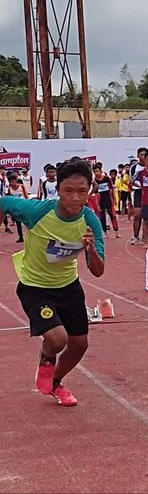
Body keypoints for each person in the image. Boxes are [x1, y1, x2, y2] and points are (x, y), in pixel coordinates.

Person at [0, 159, 105, 406]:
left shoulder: (90, 221)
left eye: (82, 191)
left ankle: (56, 381)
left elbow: (98, 271)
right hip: (35, 286)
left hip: (68, 286)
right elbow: (3, 202)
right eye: (68, 191)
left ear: (90, 189)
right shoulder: (37, 211)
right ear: (58, 190)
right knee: (58, 339)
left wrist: (91, 249)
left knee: (79, 344)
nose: (75, 198)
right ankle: (46, 358)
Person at [93, 165, 120, 239]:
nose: (96, 173)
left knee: (113, 216)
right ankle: (105, 233)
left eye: (97, 171)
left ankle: (116, 233)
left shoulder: (107, 178)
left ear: (101, 171)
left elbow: (112, 189)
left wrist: (114, 199)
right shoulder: (94, 181)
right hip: (100, 201)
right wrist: (97, 204)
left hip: (109, 200)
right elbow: (95, 194)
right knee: (102, 218)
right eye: (94, 171)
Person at [128, 148, 148, 244]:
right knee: (137, 215)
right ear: (138, 156)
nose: (143, 157)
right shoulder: (134, 168)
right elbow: (131, 181)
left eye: (145, 155)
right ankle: (136, 236)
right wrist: (139, 186)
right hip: (138, 192)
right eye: (141, 155)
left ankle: (146, 236)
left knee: (147, 216)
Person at [7, 173, 30, 242]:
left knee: (27, 222)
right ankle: (20, 237)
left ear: (16, 181)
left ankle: (30, 235)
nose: (12, 183)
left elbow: (26, 196)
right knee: (18, 223)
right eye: (10, 182)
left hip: (23, 206)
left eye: (13, 181)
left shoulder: (21, 187)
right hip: (16, 208)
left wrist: (28, 204)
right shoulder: (9, 189)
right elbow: (10, 198)